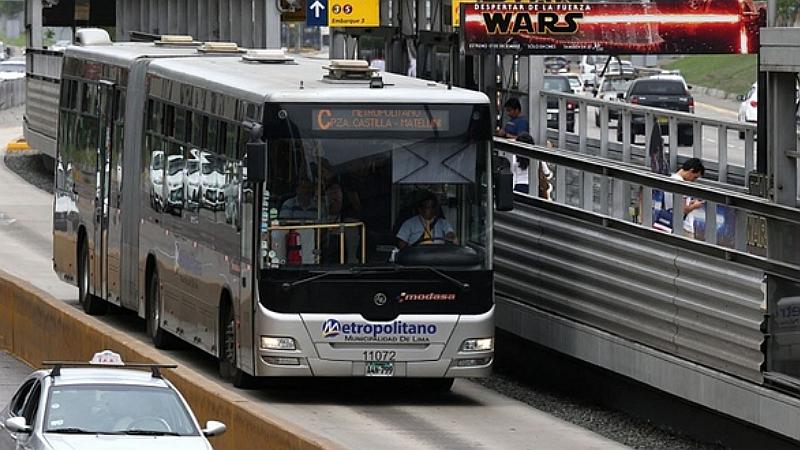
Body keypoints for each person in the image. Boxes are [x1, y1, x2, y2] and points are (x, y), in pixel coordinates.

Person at [653, 158, 705, 236]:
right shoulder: (682, 184)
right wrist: (695, 206)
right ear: (691, 171)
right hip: (683, 227)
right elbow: (683, 210)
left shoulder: (671, 179)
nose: (694, 181)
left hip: (670, 224)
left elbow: (674, 203)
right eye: (695, 177)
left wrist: (690, 203)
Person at [513, 133, 553, 199]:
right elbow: (547, 173)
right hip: (535, 188)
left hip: (518, 187)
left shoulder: (514, 157)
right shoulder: (536, 157)